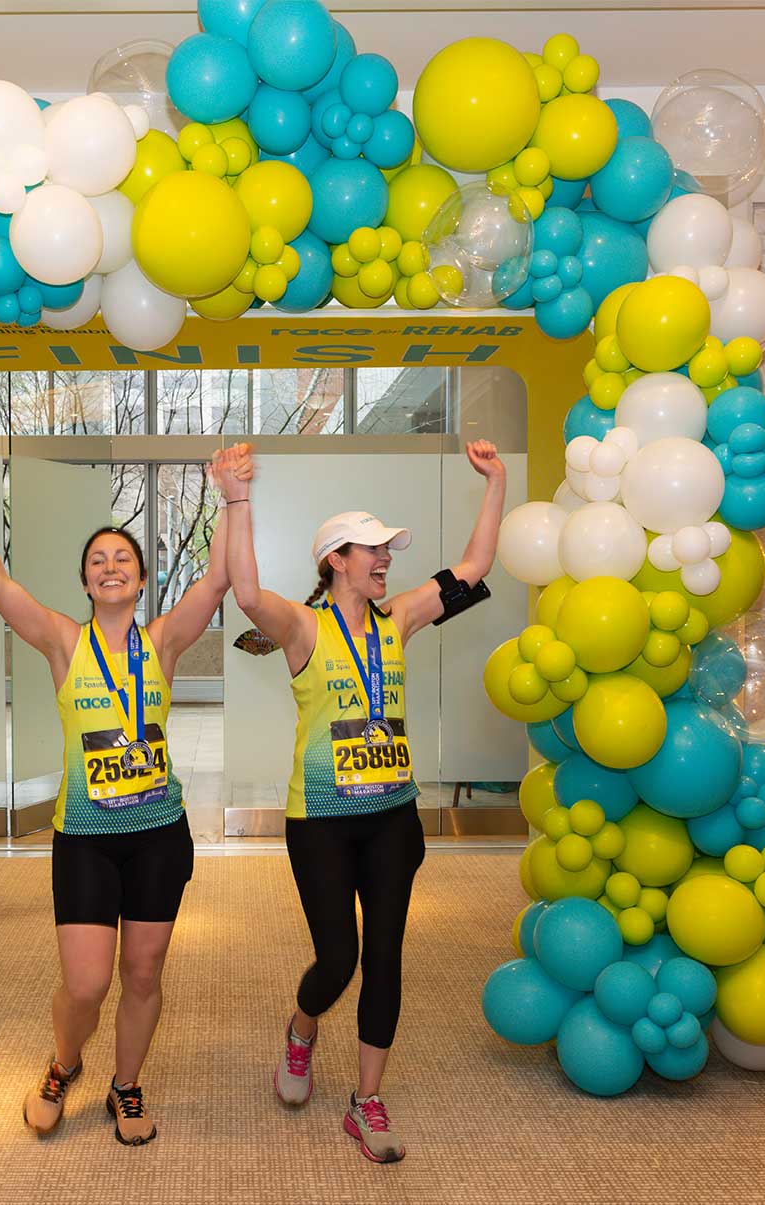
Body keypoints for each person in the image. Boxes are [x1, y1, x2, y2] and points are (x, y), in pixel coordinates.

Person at [214, 439, 506, 1164]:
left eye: (386, 549)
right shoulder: (305, 628)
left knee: (385, 956)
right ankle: (302, 1026)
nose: (384, 559)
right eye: (369, 549)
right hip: (320, 822)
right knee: (337, 958)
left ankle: (366, 1100)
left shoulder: (399, 618)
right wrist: (238, 499)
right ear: (334, 560)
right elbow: (247, 595)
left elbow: (472, 571)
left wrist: (495, 483)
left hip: (391, 819)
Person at [0, 435, 233, 1146]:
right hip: (87, 837)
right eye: (97, 560)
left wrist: (230, 499)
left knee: (142, 970)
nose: (110, 567)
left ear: (140, 576)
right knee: (86, 983)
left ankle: (126, 1086)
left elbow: (217, 582)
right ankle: (62, 1063)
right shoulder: (65, 642)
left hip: (159, 831)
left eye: (122, 558)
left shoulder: (161, 641)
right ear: (85, 581)